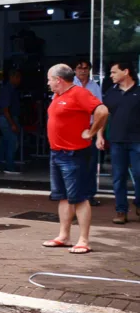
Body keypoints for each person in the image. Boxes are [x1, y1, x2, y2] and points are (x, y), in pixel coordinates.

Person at [42, 64, 110, 254]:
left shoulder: (79, 93)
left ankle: (84, 240)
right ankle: (64, 236)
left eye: (49, 79)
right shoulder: (58, 95)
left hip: (74, 154)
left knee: (79, 198)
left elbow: (102, 111)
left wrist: (92, 132)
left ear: (58, 80)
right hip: (57, 153)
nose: (48, 83)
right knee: (63, 197)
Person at [99, 61, 140, 224]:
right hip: (116, 141)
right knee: (118, 177)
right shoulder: (110, 93)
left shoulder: (139, 91)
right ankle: (121, 210)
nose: (111, 75)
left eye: (114, 72)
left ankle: (138, 203)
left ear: (126, 71)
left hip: (137, 140)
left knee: (139, 174)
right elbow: (103, 116)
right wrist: (100, 136)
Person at [75, 59, 103, 206]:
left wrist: (98, 133)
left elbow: (101, 110)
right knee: (74, 163)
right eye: (80, 67)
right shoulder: (69, 84)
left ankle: (89, 195)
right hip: (74, 128)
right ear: (74, 69)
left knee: (90, 163)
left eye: (86, 68)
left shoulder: (94, 86)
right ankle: (74, 194)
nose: (83, 71)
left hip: (90, 127)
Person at [0, 69, 23, 175]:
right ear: (11, 77)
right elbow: (5, 109)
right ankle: (9, 166)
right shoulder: (7, 89)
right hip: (6, 119)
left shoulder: (12, 89)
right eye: (17, 77)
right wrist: (12, 123)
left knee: (5, 141)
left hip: (8, 118)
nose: (19, 80)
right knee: (12, 142)